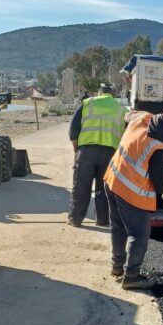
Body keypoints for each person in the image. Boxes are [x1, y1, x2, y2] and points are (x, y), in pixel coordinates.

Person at [104, 105, 163, 289]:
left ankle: (118, 268)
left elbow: (128, 115)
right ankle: (132, 277)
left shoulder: (143, 117)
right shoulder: (159, 145)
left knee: (118, 227)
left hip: (112, 179)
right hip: (130, 189)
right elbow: (158, 177)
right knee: (140, 234)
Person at [68, 84, 127, 227]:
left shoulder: (87, 103)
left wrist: (77, 150)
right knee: (104, 189)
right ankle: (102, 220)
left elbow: (73, 130)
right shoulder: (121, 109)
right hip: (110, 154)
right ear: (112, 95)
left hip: (86, 151)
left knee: (81, 187)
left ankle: (75, 219)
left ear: (99, 93)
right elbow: (126, 135)